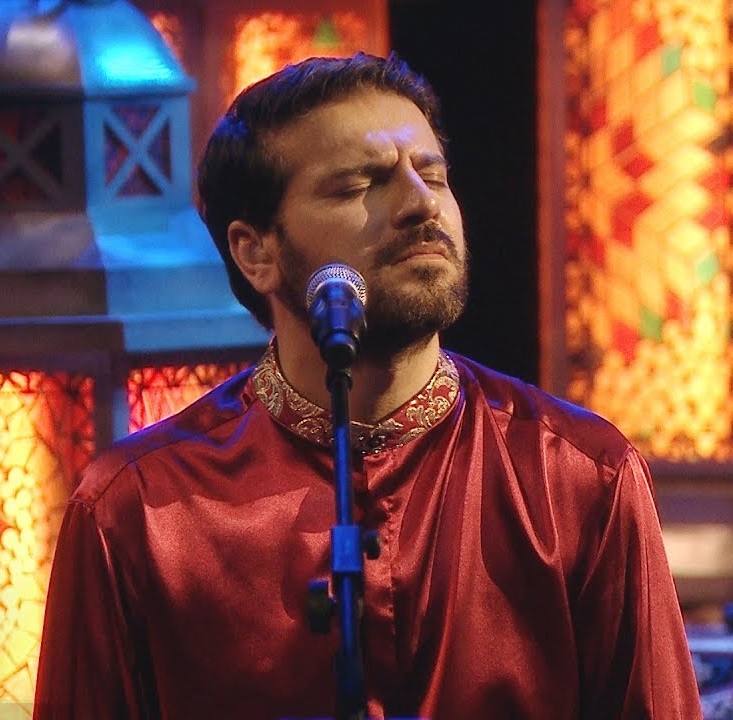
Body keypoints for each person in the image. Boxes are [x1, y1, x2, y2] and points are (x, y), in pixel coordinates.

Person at [33, 52, 702, 719]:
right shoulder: (139, 510)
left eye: (432, 175)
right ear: (255, 251)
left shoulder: (579, 478)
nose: (420, 203)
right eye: (360, 184)